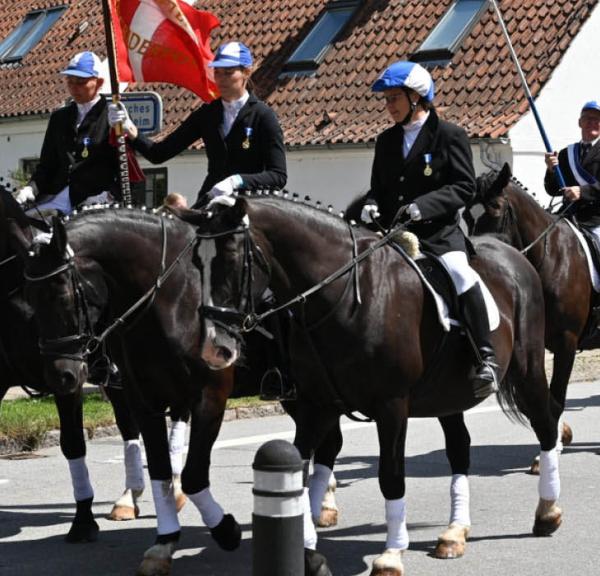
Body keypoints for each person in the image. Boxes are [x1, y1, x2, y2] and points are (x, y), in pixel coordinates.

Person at [360, 61, 497, 398]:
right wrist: (371, 202)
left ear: (417, 98)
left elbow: (464, 187)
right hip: (397, 236)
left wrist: (426, 206)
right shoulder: (386, 141)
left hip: (439, 235)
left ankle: (486, 357)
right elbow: (379, 186)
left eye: (394, 98)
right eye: (387, 99)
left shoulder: (450, 135)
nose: (389, 105)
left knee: (461, 274)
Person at [108, 41, 287, 207]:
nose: (221, 79)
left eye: (228, 72)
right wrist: (130, 130)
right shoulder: (207, 114)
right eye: (217, 72)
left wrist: (237, 181)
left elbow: (278, 176)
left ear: (246, 72)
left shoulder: (263, 116)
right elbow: (159, 154)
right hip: (211, 200)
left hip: (249, 205)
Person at [13, 52, 120, 214]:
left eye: (81, 82)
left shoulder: (111, 116)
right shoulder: (59, 118)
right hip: (56, 197)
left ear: (99, 83)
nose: (73, 88)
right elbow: (46, 166)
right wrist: (30, 188)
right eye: (70, 82)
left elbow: (123, 167)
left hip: (95, 201)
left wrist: (110, 194)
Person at [544, 100, 600, 230]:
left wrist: (582, 192)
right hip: (567, 216)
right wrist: (551, 170)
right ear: (580, 122)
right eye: (587, 118)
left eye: (596, 119)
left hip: (595, 219)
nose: (591, 122)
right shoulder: (565, 153)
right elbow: (553, 190)